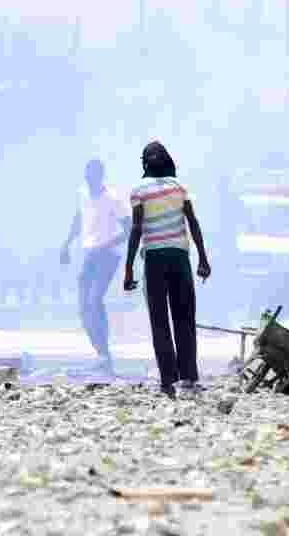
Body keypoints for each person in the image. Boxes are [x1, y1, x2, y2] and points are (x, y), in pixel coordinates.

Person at [124, 142, 211, 399]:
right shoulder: (178, 187)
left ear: (144, 164)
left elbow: (137, 229)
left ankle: (167, 380)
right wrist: (203, 259)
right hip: (180, 257)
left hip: (154, 259)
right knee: (184, 318)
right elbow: (192, 222)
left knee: (160, 320)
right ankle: (190, 377)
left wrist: (128, 268)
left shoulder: (138, 190)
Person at [61, 159, 130, 373]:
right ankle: (101, 354)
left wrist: (106, 245)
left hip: (108, 254)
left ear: (101, 177)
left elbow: (129, 229)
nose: (89, 181)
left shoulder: (113, 199)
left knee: (95, 299)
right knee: (83, 307)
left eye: (93, 177)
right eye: (86, 177)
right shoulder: (82, 194)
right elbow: (79, 217)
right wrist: (67, 243)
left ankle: (104, 355)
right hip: (90, 253)